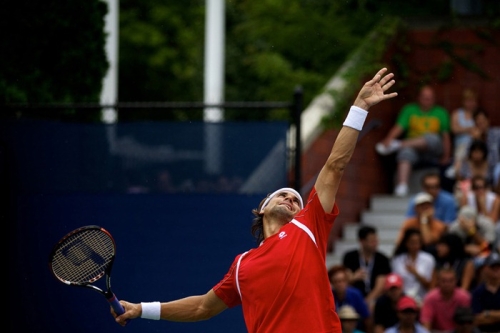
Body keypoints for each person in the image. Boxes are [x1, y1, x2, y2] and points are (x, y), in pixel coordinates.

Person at [110, 68, 398, 331]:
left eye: (296, 200)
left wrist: (359, 108)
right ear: (262, 208)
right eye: (282, 194)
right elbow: (202, 307)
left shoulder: (308, 227)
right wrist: (141, 309)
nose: (290, 198)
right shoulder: (241, 265)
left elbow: (334, 166)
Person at [375, 85, 451, 197]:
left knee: (432, 138)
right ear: (419, 98)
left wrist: (446, 155)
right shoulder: (409, 110)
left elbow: (445, 137)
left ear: (434, 99)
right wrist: (388, 139)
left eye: (430, 98)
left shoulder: (441, 113)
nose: (427, 100)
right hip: (414, 149)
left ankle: (397, 145)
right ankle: (402, 186)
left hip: (433, 150)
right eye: (425, 97)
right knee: (406, 152)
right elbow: (399, 127)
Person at [342, 224, 392, 308]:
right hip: (353, 296)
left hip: (374, 299)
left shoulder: (382, 259)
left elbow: (380, 286)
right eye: (372, 241)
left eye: (376, 240)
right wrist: (354, 277)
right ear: (362, 241)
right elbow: (345, 279)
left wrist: (366, 301)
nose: (375, 243)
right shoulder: (350, 257)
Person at [392, 228, 435, 305]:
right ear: (406, 243)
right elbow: (395, 282)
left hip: (422, 299)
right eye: (412, 242)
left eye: (418, 242)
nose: (415, 245)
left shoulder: (428, 259)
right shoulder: (398, 260)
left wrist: (415, 273)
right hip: (402, 298)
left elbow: (430, 285)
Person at [420, 267, 471, 332]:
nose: (447, 284)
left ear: (456, 281)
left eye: (450, 281)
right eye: (444, 281)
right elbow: (426, 321)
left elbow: (467, 323)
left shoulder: (463, 297)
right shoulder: (430, 298)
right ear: (438, 282)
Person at [446, 89, 479, 179]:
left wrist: (463, 129)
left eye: (472, 101)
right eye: (468, 101)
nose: (470, 103)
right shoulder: (457, 113)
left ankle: (456, 168)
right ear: (463, 101)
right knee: (463, 149)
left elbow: (479, 131)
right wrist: (469, 129)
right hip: (460, 144)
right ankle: (456, 169)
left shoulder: (478, 114)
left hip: (474, 144)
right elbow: (454, 129)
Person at [328, 265, 371, 332]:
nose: (339, 284)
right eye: (336, 282)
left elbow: (366, 317)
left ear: (347, 281)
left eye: (342, 281)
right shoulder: (329, 297)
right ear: (331, 283)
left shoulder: (356, 294)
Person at [471, 252, 500, 333]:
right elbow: (477, 319)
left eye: (498, 267)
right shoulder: (478, 292)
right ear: (485, 269)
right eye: (493, 267)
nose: (496, 270)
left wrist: (487, 313)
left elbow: (482, 316)